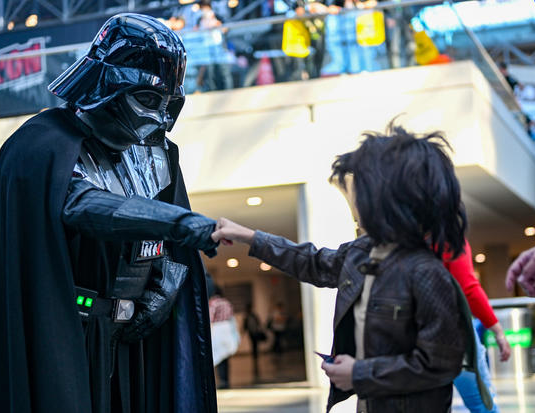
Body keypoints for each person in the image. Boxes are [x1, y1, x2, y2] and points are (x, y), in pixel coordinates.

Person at [0, 14, 220, 413]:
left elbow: (173, 249)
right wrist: (177, 223)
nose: (158, 118)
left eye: (169, 104)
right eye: (149, 100)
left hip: (138, 337)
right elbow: (82, 205)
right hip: (70, 334)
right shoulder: (44, 143)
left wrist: (165, 286)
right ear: (110, 86)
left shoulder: (157, 154)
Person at [213, 123, 482, 412]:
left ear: (390, 199)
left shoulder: (426, 273)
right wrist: (250, 237)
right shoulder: (361, 253)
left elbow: (439, 366)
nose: (353, 201)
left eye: (361, 190)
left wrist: (359, 373)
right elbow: (311, 262)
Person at [445, 240, 511, 413]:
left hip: (412, 337)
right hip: (454, 336)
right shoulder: (448, 237)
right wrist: (498, 331)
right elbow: (468, 288)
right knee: (481, 404)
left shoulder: (401, 235)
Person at [243, 302, 266, 379]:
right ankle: (255, 355)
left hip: (253, 332)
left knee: (254, 344)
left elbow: (246, 325)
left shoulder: (249, 316)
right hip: (252, 333)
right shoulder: (250, 315)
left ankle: (255, 355)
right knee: (254, 344)